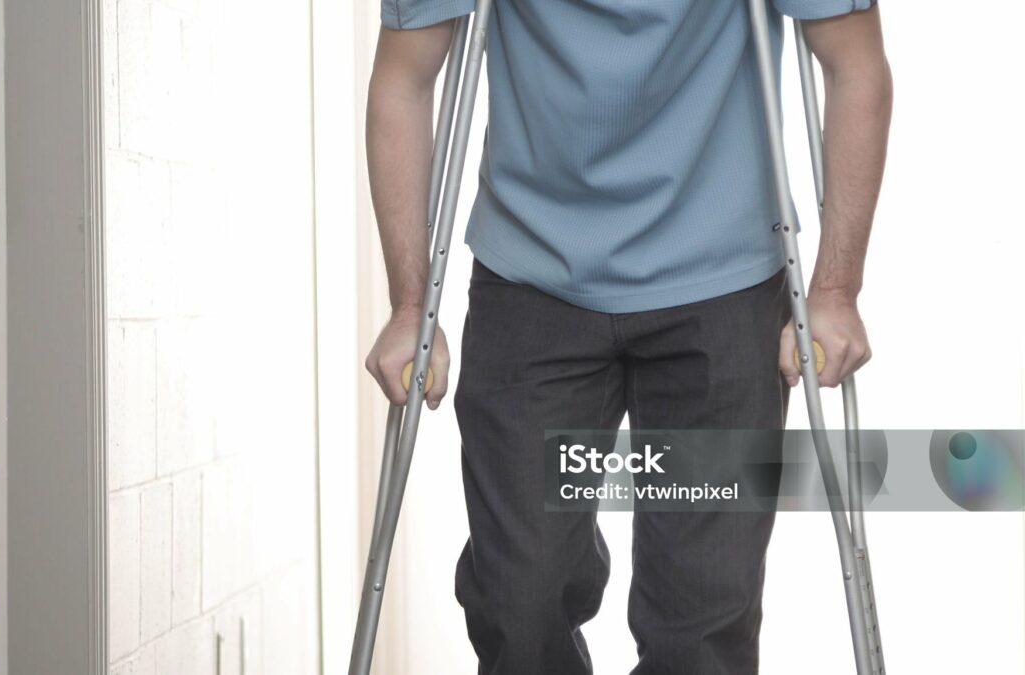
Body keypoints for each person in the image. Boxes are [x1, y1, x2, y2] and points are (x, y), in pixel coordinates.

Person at [364, 1, 892, 672]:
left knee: (699, 630)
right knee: (518, 604)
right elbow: (404, 78)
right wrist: (411, 304)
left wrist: (835, 290)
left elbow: (855, 64)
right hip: (532, 278)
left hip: (719, 283)